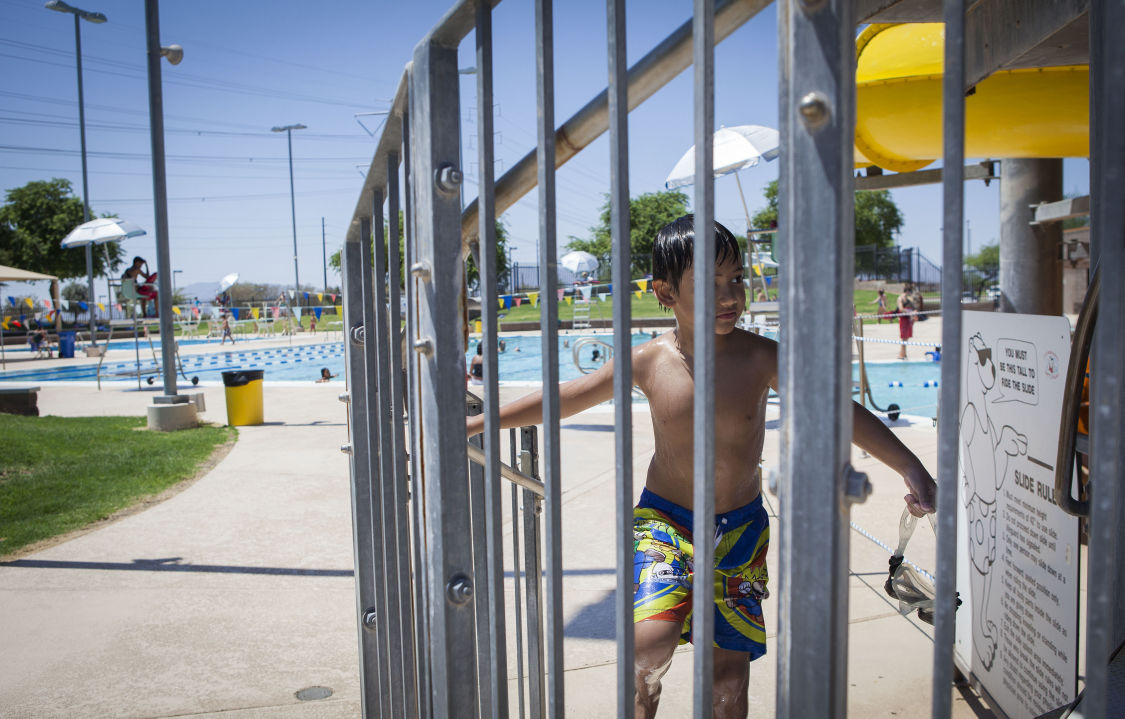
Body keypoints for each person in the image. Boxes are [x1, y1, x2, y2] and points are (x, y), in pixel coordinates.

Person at [467, 216, 936, 718]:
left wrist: (909, 466)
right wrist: (475, 424)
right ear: (666, 292)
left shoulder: (763, 357)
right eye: (709, 283)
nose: (729, 294)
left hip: (740, 529)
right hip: (664, 522)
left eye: (735, 278)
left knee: (728, 679)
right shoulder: (649, 361)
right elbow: (566, 398)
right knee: (648, 647)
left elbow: (837, 407)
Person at [896, 284, 915, 360]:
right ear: (907, 291)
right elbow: (901, 308)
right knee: (903, 337)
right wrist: (909, 311)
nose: (910, 294)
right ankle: (901, 354)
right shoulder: (900, 298)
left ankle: (904, 354)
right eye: (910, 292)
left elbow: (913, 308)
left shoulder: (909, 299)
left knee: (906, 337)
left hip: (909, 320)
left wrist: (913, 313)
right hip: (903, 319)